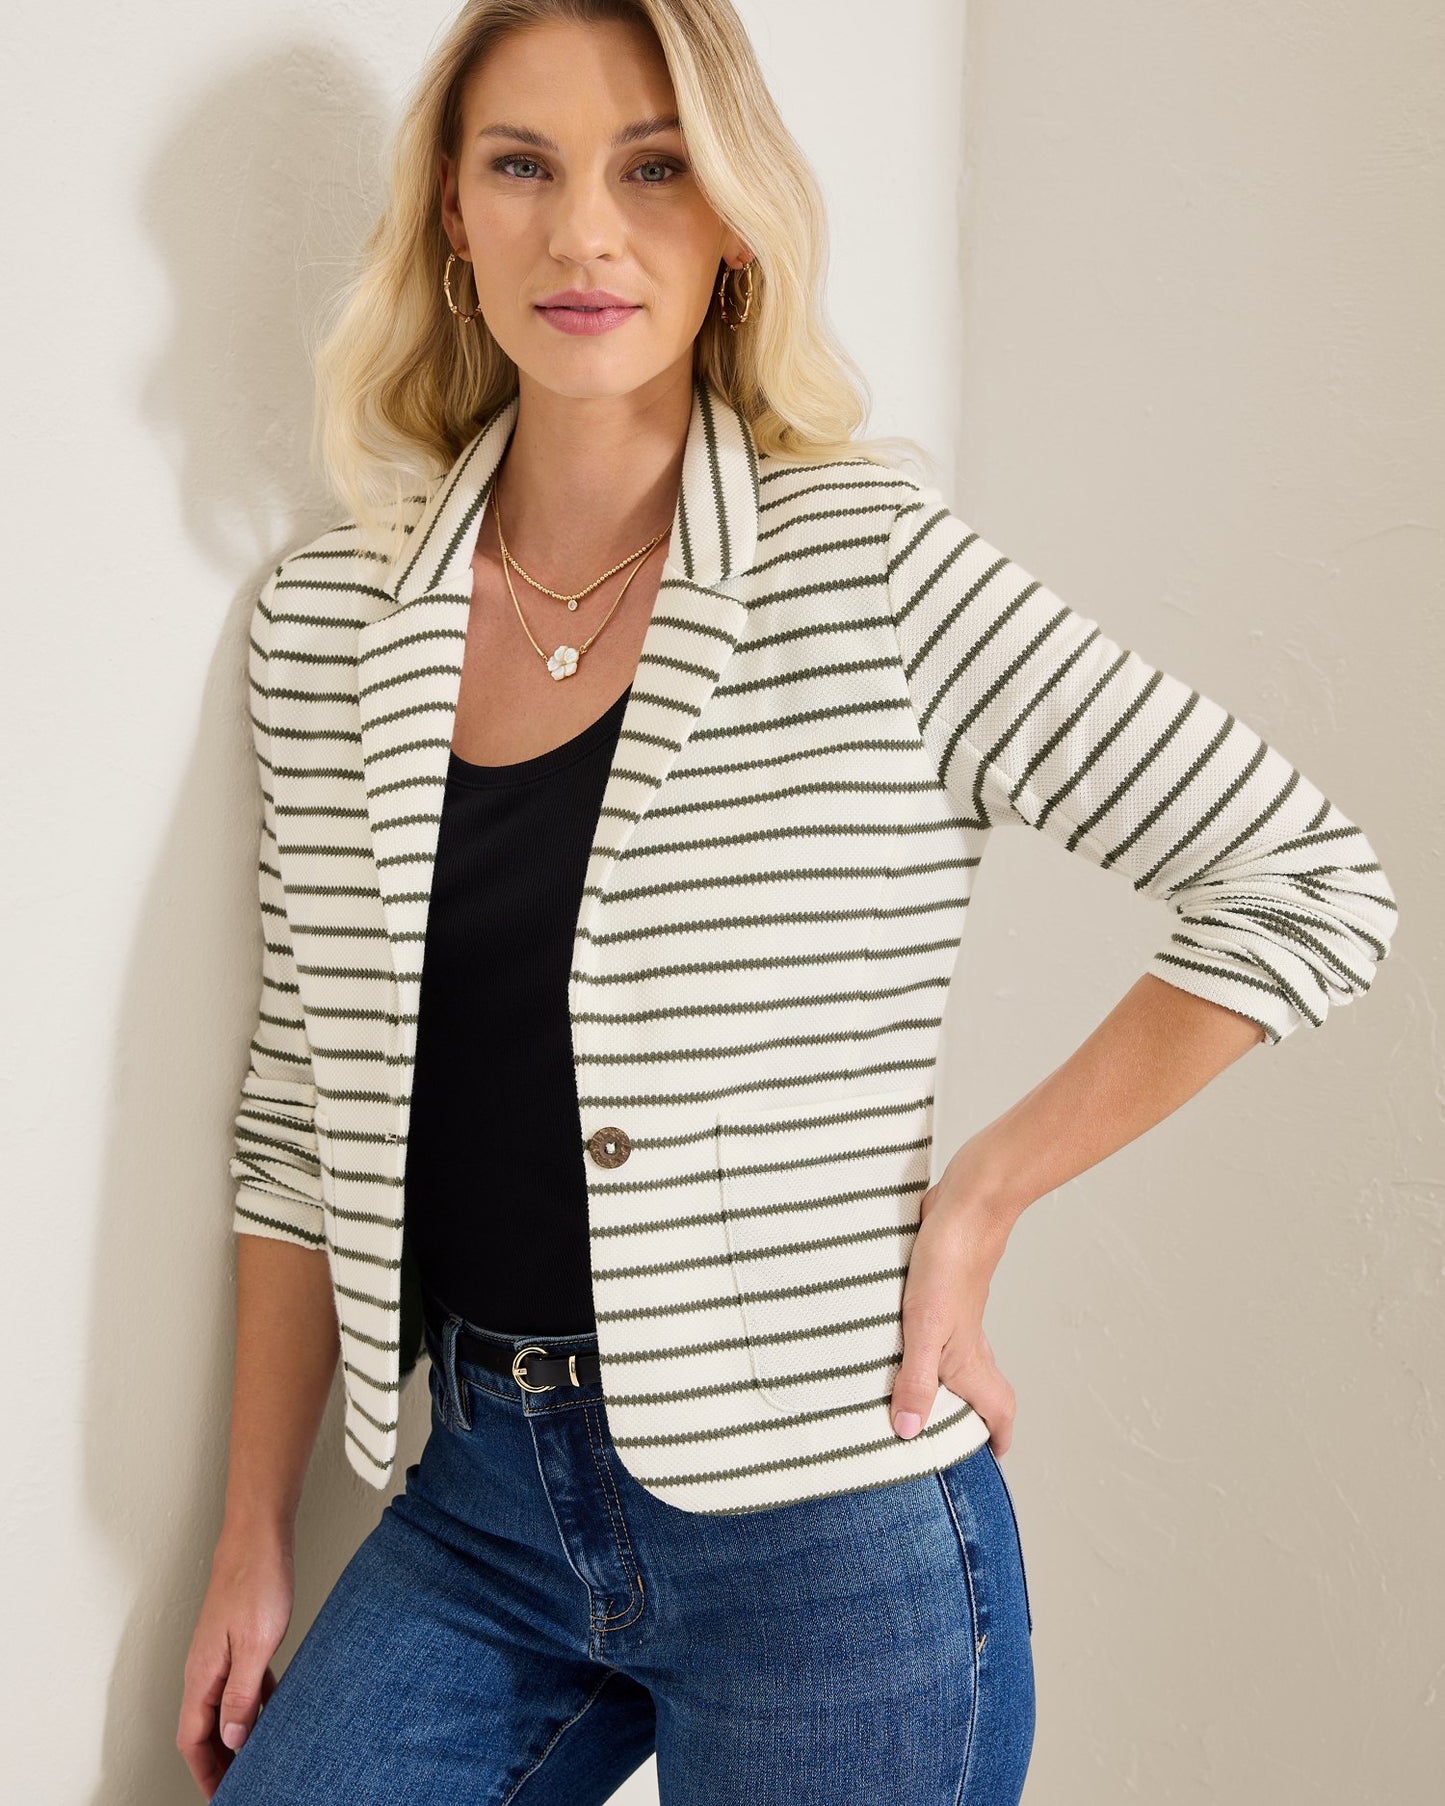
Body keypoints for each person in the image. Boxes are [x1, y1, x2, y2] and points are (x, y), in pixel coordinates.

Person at [176, 2, 1399, 1801]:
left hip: (834, 1532)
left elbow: (1304, 881)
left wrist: (982, 1193)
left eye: (652, 168)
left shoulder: (874, 568)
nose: (583, 233)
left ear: (732, 219)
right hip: (482, 1504)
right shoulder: (326, 624)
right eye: (521, 166)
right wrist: (249, 1535)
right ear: (450, 211)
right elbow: (300, 1119)